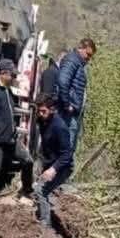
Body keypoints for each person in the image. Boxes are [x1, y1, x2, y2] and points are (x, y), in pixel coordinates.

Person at [0, 59, 33, 207]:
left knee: (27, 160)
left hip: (10, 138)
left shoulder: (6, 89)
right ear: (3, 74)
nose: (14, 78)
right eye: (12, 75)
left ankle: (27, 191)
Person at [34, 93, 74, 229]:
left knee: (41, 190)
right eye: (38, 111)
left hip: (63, 167)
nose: (40, 114)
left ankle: (45, 227)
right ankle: (41, 216)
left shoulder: (60, 127)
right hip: (49, 162)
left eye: (43, 111)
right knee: (38, 188)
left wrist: (53, 169)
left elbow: (67, 154)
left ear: (52, 109)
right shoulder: (42, 120)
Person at [56, 38, 96, 151]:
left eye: (91, 56)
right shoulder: (72, 60)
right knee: (65, 148)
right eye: (88, 54)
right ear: (81, 48)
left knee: (68, 147)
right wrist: (67, 104)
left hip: (73, 112)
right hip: (68, 113)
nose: (89, 58)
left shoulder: (78, 63)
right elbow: (62, 81)